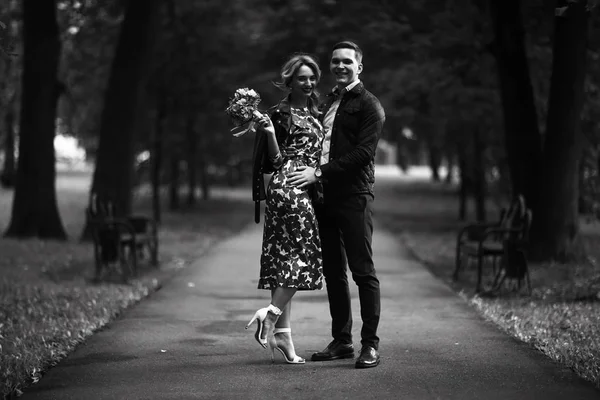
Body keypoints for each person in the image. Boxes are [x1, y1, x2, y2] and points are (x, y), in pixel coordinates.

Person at [289, 41, 385, 368]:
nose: (340, 66)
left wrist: (317, 172)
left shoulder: (370, 106)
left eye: (347, 61)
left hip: (354, 196)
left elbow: (363, 154)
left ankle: (369, 345)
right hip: (324, 198)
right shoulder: (329, 100)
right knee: (333, 271)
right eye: (335, 61)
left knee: (363, 271)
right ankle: (342, 341)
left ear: (359, 66)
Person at [245, 53, 325, 364]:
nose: (308, 82)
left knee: (284, 259)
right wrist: (268, 133)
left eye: (311, 78)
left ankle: (283, 336)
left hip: (291, 188)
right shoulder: (279, 114)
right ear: (289, 81)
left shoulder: (315, 112)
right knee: (306, 255)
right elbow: (276, 162)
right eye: (302, 78)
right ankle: (271, 312)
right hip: (288, 187)